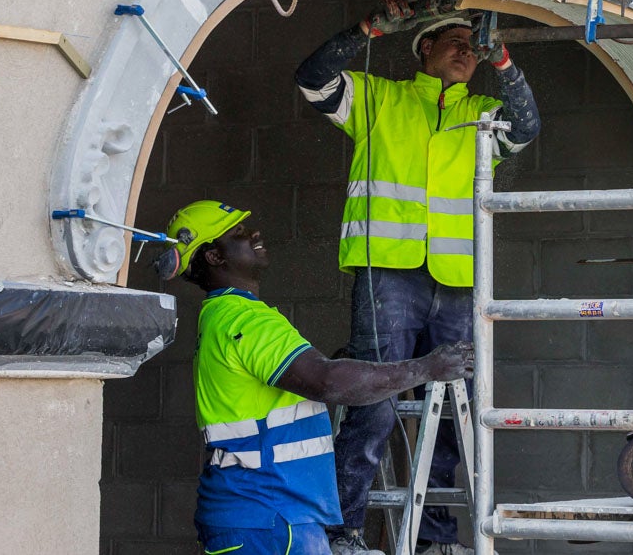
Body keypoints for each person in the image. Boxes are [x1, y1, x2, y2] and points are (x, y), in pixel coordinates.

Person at [296, 0, 540, 555]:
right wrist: (368, 29)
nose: (466, 51)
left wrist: (504, 61)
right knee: (373, 405)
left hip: (457, 282)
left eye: (472, 46)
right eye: (454, 40)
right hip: (390, 276)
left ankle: (433, 540)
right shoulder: (379, 99)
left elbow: (527, 127)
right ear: (424, 48)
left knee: (454, 416)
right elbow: (312, 78)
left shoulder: (480, 111)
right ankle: (341, 534)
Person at [159, 199, 475, 555]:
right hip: (269, 518)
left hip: (263, 514)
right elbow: (326, 381)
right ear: (215, 257)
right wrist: (427, 369)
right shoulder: (242, 320)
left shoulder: (223, 316)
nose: (255, 234)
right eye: (239, 233)